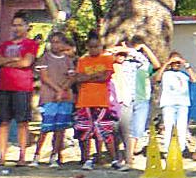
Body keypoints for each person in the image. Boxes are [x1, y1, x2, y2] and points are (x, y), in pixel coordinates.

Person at [0, 12, 39, 166]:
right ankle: (2, 156)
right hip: (3, 86)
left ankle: (22, 156)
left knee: (22, 122)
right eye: (14, 25)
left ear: (27, 27)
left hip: (22, 86)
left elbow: (26, 63)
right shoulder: (5, 45)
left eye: (20, 25)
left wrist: (6, 62)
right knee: (3, 121)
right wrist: (13, 59)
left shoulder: (31, 44)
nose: (17, 28)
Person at [72, 33, 120, 169]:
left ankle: (114, 159)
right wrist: (95, 76)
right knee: (85, 130)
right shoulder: (82, 60)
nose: (94, 49)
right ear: (87, 47)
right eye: (91, 47)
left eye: (97, 46)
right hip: (84, 101)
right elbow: (78, 78)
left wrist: (88, 77)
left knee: (105, 130)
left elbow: (105, 77)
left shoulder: (107, 58)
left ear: (101, 46)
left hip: (101, 101)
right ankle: (86, 159)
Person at [32, 31, 77, 166]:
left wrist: (63, 90)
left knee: (60, 128)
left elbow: (72, 77)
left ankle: (55, 155)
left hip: (65, 98)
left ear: (63, 44)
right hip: (49, 97)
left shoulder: (68, 60)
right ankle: (37, 156)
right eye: (52, 42)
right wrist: (58, 90)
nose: (55, 45)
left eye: (58, 42)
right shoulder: (45, 58)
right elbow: (44, 77)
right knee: (46, 127)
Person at [113, 37, 154, 163]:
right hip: (115, 100)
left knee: (129, 130)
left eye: (123, 54)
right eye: (119, 54)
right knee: (115, 130)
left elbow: (144, 61)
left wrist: (129, 50)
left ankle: (128, 157)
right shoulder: (110, 64)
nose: (121, 56)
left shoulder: (131, 64)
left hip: (128, 99)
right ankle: (116, 156)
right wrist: (114, 50)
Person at [156, 52, 195, 162]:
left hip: (183, 103)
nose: (176, 64)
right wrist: (167, 63)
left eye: (178, 63)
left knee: (182, 128)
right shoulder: (166, 74)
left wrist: (185, 63)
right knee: (169, 127)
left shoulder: (184, 74)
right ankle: (168, 150)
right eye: (174, 62)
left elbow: (194, 79)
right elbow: (157, 79)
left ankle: (180, 150)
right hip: (168, 103)